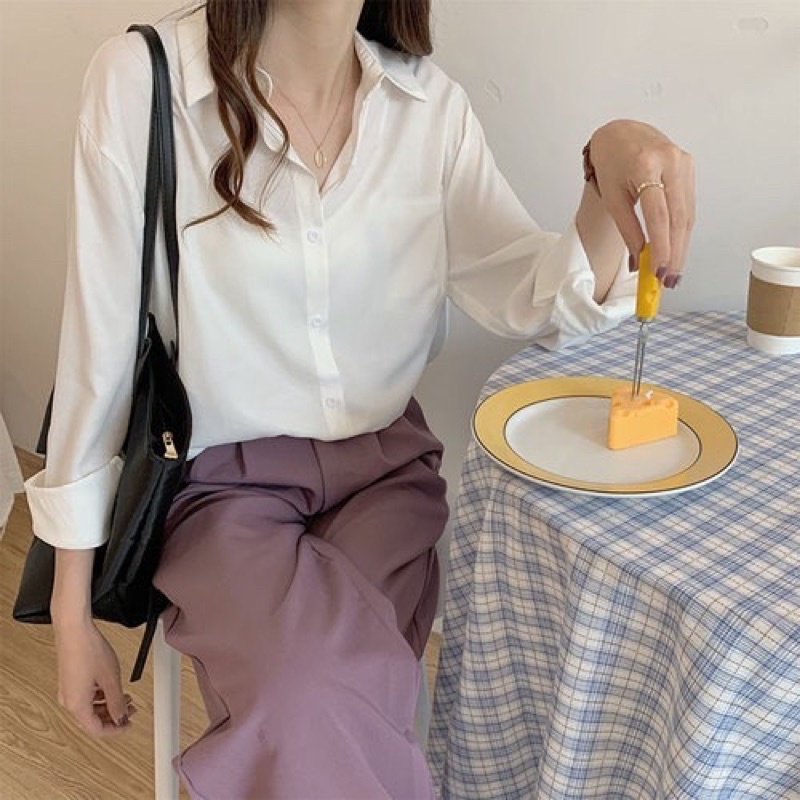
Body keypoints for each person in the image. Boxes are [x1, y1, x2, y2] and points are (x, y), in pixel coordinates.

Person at [23, 0, 695, 797]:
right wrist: (70, 609)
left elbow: (529, 292)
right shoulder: (145, 82)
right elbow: (97, 352)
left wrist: (604, 168)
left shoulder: (428, 107)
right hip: (220, 487)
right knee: (314, 694)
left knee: (316, 703)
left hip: (384, 478)